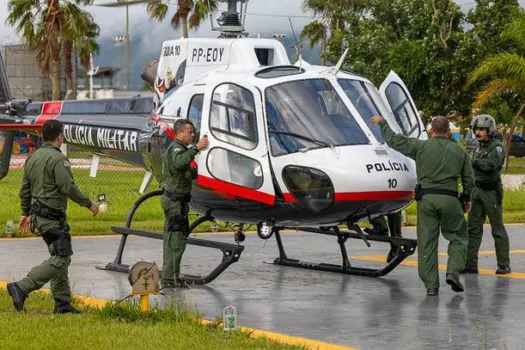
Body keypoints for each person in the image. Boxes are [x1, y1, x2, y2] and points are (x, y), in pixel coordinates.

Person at [371, 115, 474, 296]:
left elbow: (395, 140)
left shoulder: (420, 147)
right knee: (458, 237)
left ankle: (431, 286)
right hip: (450, 199)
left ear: (431, 131)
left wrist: (383, 123)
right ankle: (453, 272)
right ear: (449, 132)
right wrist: (466, 200)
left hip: (426, 200)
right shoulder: (460, 151)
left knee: (427, 242)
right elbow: (468, 180)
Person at [7, 120, 99, 313]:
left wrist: (25, 212)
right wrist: (89, 204)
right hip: (52, 217)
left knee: (58, 255)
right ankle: (22, 287)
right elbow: (68, 187)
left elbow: (24, 189)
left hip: (38, 216)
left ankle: (62, 304)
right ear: (59, 136)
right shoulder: (58, 160)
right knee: (62, 258)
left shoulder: (33, 157)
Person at [161, 119, 208, 289]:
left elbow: (187, 171)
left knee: (172, 239)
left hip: (176, 200)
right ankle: (170, 279)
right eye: (190, 132)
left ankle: (170, 276)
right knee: (177, 241)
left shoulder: (180, 149)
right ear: (179, 133)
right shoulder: (176, 149)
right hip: (175, 202)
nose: (192, 134)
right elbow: (179, 162)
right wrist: (196, 148)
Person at [462, 114, 511, 275]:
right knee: (473, 228)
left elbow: (491, 164)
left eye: (482, 129)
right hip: (476, 191)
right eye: (476, 129)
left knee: (497, 228)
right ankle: (470, 264)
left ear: (489, 130)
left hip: (491, 192)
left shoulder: (496, 147)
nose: (478, 132)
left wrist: (473, 162)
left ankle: (504, 264)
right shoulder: (477, 147)